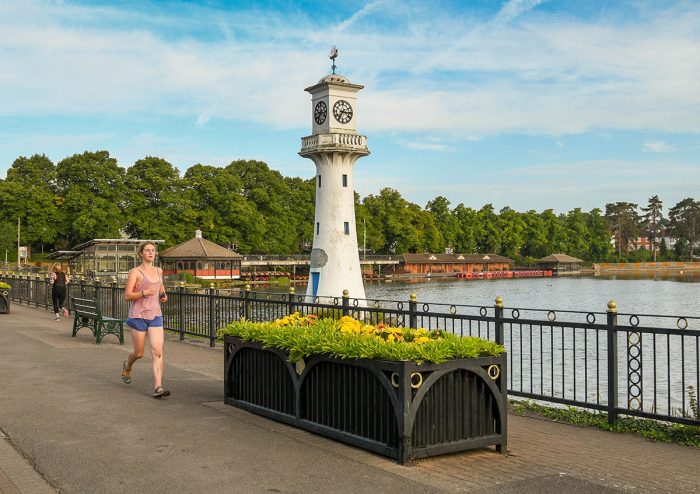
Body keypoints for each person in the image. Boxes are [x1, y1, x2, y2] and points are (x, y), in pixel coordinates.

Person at [120, 242, 170, 398]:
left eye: (153, 250)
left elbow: (160, 287)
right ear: (141, 253)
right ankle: (128, 365)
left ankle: (158, 387)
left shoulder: (159, 270)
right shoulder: (135, 272)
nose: (151, 253)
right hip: (138, 316)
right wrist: (144, 292)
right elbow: (127, 296)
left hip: (155, 315)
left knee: (157, 352)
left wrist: (163, 295)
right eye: (147, 250)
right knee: (140, 353)